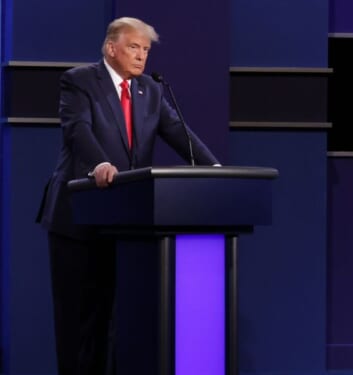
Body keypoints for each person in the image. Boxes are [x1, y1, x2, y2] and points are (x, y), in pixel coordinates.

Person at [37, 17, 220, 375]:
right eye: (134, 47)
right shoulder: (80, 80)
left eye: (146, 50)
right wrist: (100, 163)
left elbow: (180, 134)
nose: (141, 56)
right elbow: (78, 131)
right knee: (80, 324)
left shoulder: (149, 90)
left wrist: (215, 170)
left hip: (127, 223)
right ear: (111, 48)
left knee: (120, 323)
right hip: (79, 219)